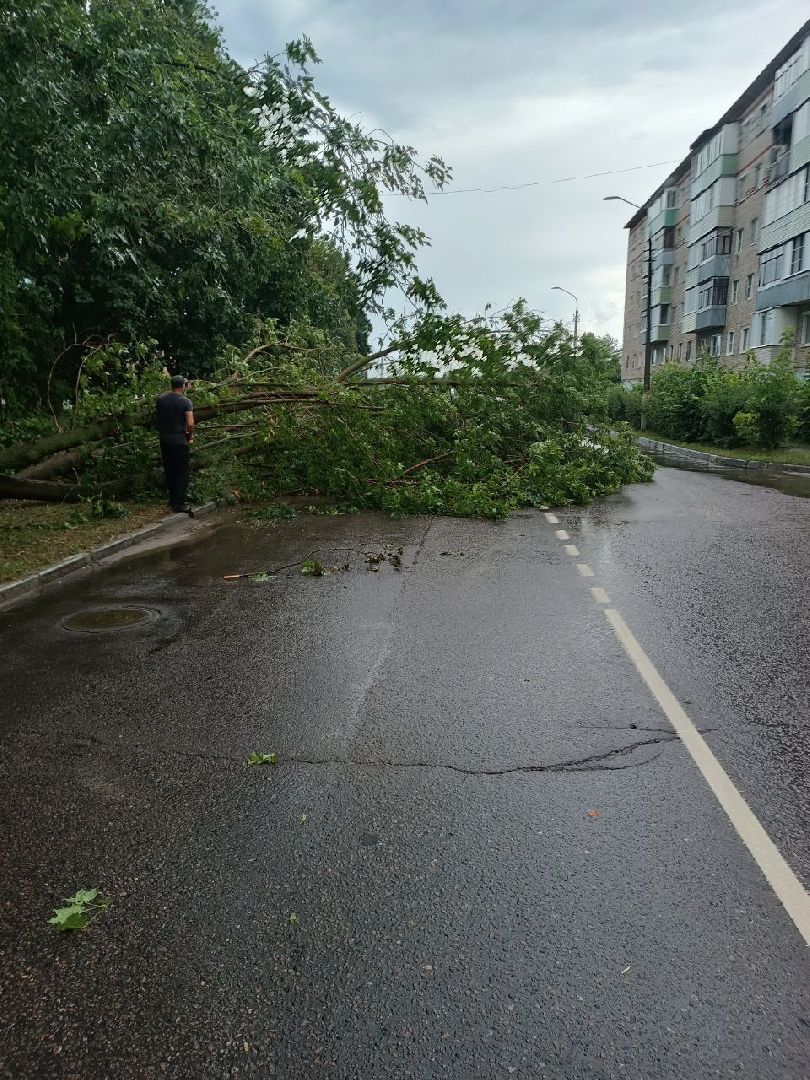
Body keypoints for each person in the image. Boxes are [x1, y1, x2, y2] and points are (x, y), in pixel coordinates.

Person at [156, 375, 195, 512]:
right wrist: (189, 435)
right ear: (183, 386)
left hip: (164, 439)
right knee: (182, 472)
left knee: (170, 470)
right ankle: (179, 503)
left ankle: (172, 500)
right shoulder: (186, 402)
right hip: (179, 440)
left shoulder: (160, 399)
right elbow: (190, 423)